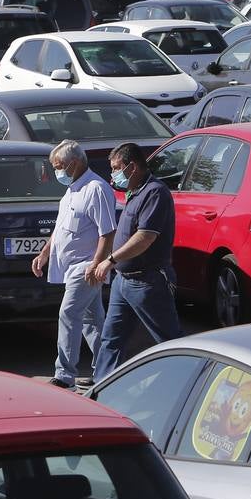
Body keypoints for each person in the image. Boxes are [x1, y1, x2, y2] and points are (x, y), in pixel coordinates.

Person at [88, 142, 180, 382]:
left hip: (148, 281)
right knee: (111, 339)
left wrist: (110, 260)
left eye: (116, 168)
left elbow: (145, 237)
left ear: (132, 167)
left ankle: (185, 384)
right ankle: (102, 388)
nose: (112, 175)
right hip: (124, 281)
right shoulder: (134, 192)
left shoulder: (155, 192)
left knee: (169, 340)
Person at [31, 140, 116, 389]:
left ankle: (65, 375)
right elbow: (59, 230)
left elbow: (107, 232)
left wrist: (97, 263)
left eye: (59, 166)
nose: (57, 172)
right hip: (71, 267)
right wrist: (44, 254)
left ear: (74, 163)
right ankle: (108, 371)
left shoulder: (96, 189)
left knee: (68, 313)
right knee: (92, 321)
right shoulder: (72, 190)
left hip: (86, 266)